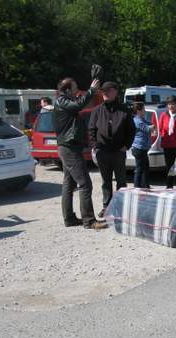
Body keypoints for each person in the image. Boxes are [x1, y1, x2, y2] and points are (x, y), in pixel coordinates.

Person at [54, 76, 106, 229]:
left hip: (68, 147)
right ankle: (89, 220)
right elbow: (78, 106)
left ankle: (69, 218)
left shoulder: (63, 101)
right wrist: (91, 90)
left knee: (69, 184)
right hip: (70, 148)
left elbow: (78, 105)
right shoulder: (62, 101)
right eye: (75, 88)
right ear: (67, 90)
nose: (77, 90)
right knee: (85, 183)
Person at [88, 81, 135, 217]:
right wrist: (95, 146)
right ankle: (107, 207)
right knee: (106, 181)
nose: (105, 93)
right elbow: (91, 129)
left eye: (108, 90)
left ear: (115, 92)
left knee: (121, 181)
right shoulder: (97, 110)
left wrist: (127, 145)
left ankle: (121, 207)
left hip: (118, 151)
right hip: (102, 151)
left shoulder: (124, 110)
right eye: (103, 91)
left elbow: (131, 130)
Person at [131, 102, 155, 188]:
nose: (145, 111)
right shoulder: (137, 121)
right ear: (138, 111)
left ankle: (145, 186)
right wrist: (153, 127)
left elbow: (149, 123)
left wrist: (152, 125)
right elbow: (147, 129)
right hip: (139, 148)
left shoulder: (142, 119)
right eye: (143, 109)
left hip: (143, 148)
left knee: (145, 168)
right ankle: (137, 187)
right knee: (139, 169)